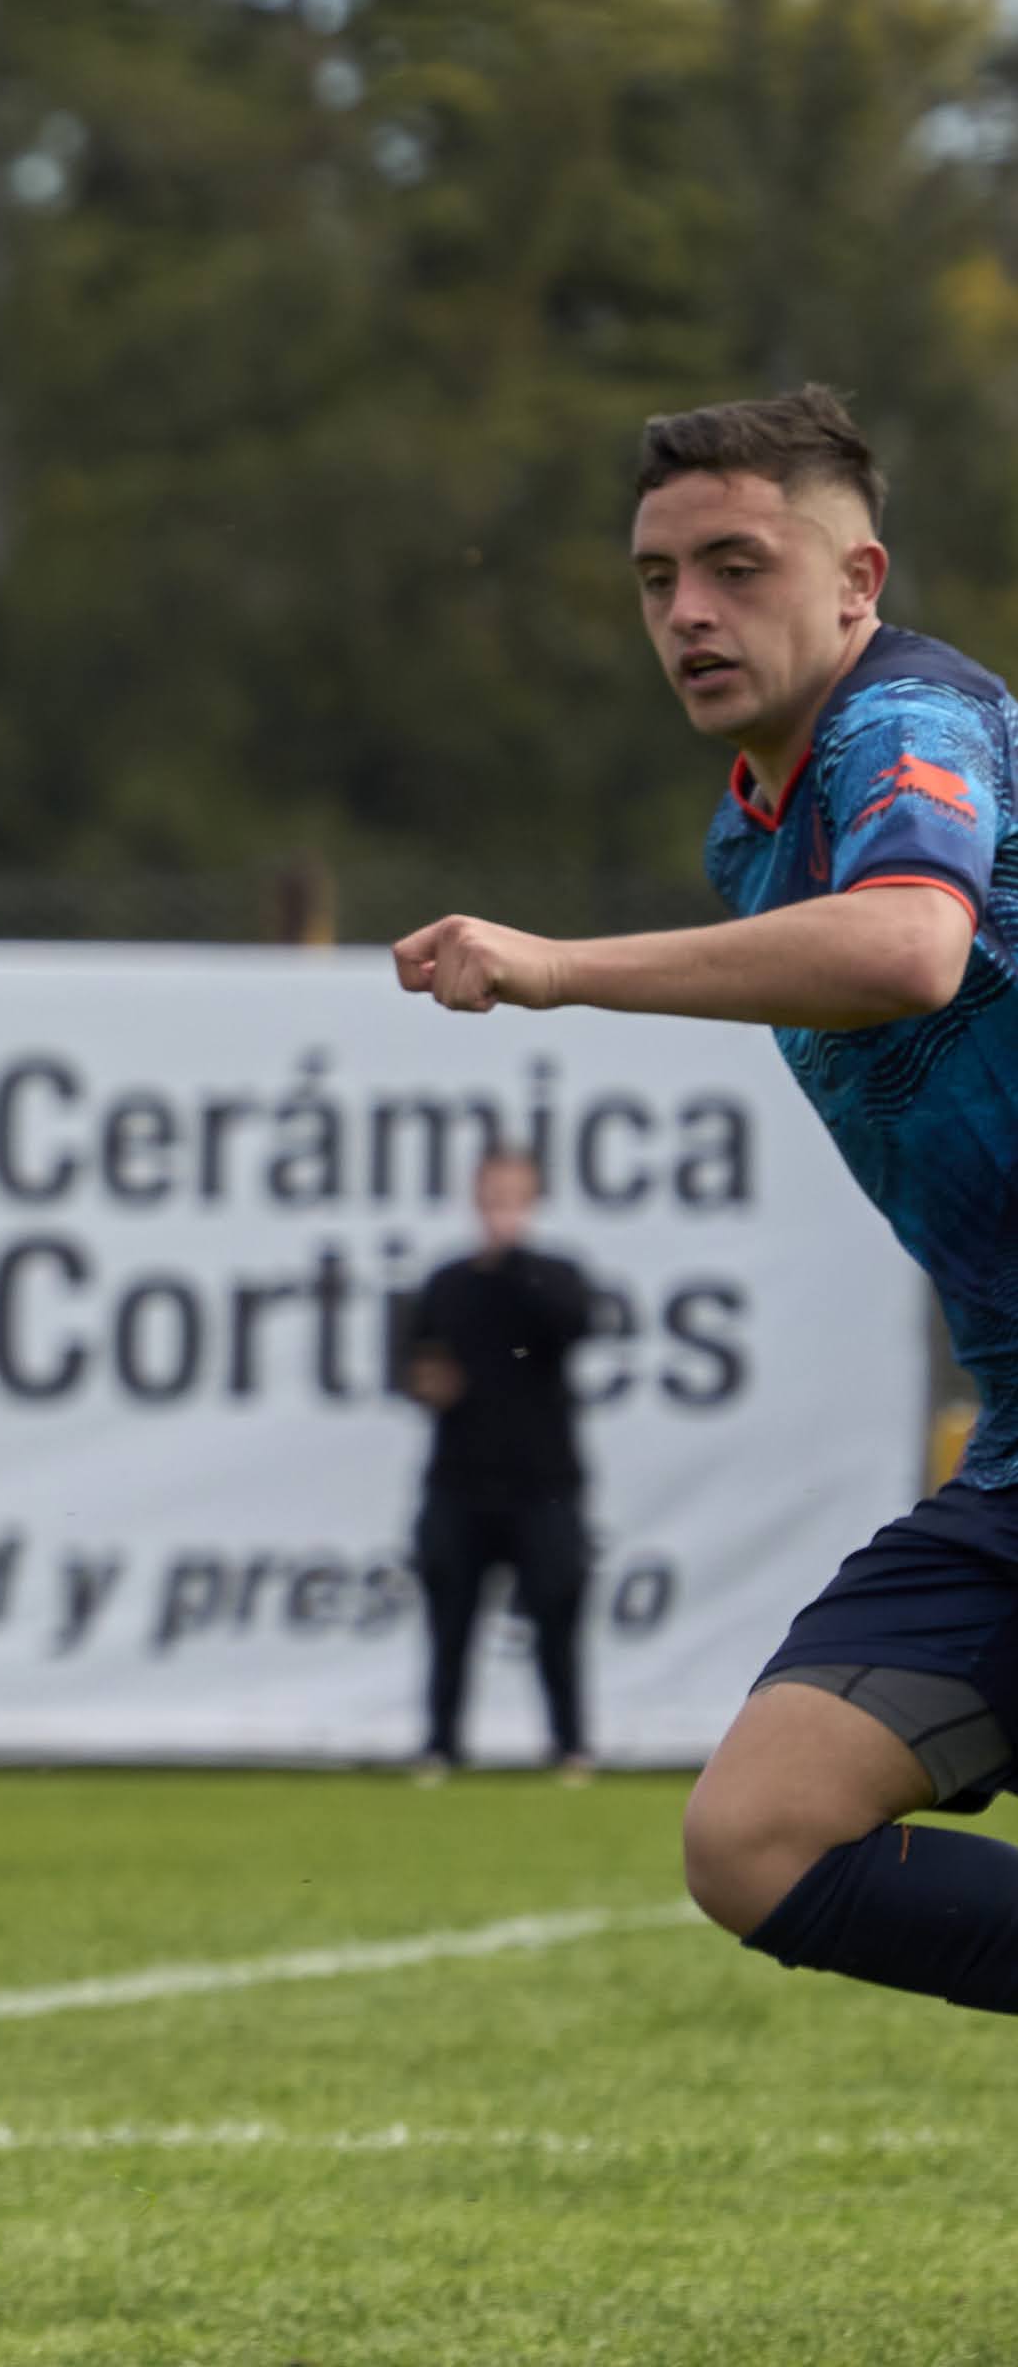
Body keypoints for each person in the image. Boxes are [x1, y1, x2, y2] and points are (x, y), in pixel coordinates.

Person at [400, 382, 1018, 2029]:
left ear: (855, 581)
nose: (685, 611)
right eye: (655, 579)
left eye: (736, 567)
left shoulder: (910, 721)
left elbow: (905, 947)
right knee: (755, 1837)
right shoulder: (750, 831)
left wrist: (552, 969)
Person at [392, 1145, 597, 1777]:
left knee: (557, 1613)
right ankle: (442, 1744)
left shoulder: (553, 1275)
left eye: (516, 1192)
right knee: (450, 1617)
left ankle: (569, 1745)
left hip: (543, 1481)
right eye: (494, 1191)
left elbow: (574, 1326)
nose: (503, 1205)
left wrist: (513, 1258)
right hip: (461, 1479)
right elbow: (409, 1363)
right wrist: (427, 1381)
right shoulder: (449, 1281)